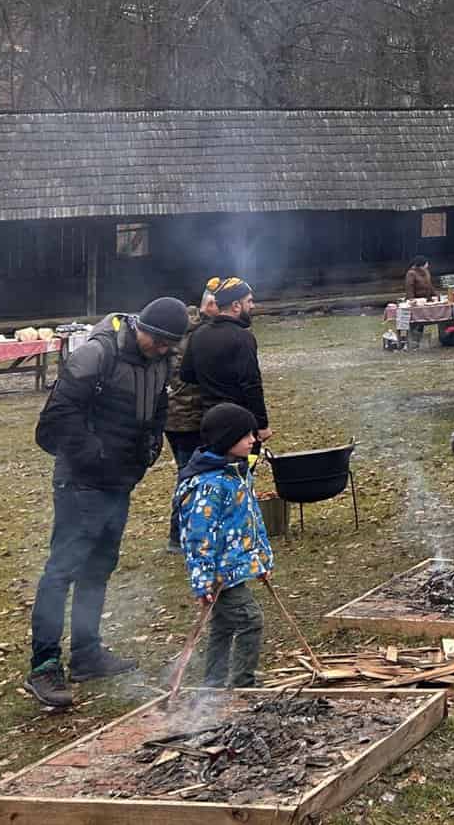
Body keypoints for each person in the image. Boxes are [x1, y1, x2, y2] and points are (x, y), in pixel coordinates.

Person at [24, 297, 189, 709]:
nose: (164, 349)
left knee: (100, 567)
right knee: (62, 570)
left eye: (171, 344)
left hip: (119, 482)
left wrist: (146, 453)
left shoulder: (161, 362)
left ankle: (86, 653)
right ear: (141, 327)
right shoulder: (96, 354)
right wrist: (94, 456)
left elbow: (157, 412)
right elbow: (58, 418)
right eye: (159, 340)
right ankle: (44, 664)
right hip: (81, 482)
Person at [175, 402, 273, 688]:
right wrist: (203, 582)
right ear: (226, 439)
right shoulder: (208, 486)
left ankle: (214, 684)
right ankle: (243, 684)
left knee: (223, 626)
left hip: (238, 566)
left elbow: (251, 521)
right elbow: (198, 539)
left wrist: (261, 562)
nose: (253, 440)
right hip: (221, 574)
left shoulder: (238, 474)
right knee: (250, 620)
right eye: (246, 436)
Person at [163, 281, 219, 555]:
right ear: (209, 306)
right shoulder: (197, 335)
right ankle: (179, 536)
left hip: (172, 417)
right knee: (189, 477)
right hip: (188, 417)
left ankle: (186, 533)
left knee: (187, 474)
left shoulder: (177, 331)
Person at [180, 278, 271, 444]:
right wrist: (262, 424)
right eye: (249, 301)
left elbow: (186, 374)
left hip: (210, 419)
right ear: (236, 305)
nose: (253, 306)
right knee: (241, 467)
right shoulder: (243, 337)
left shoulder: (198, 334)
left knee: (217, 465)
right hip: (240, 420)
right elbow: (251, 384)